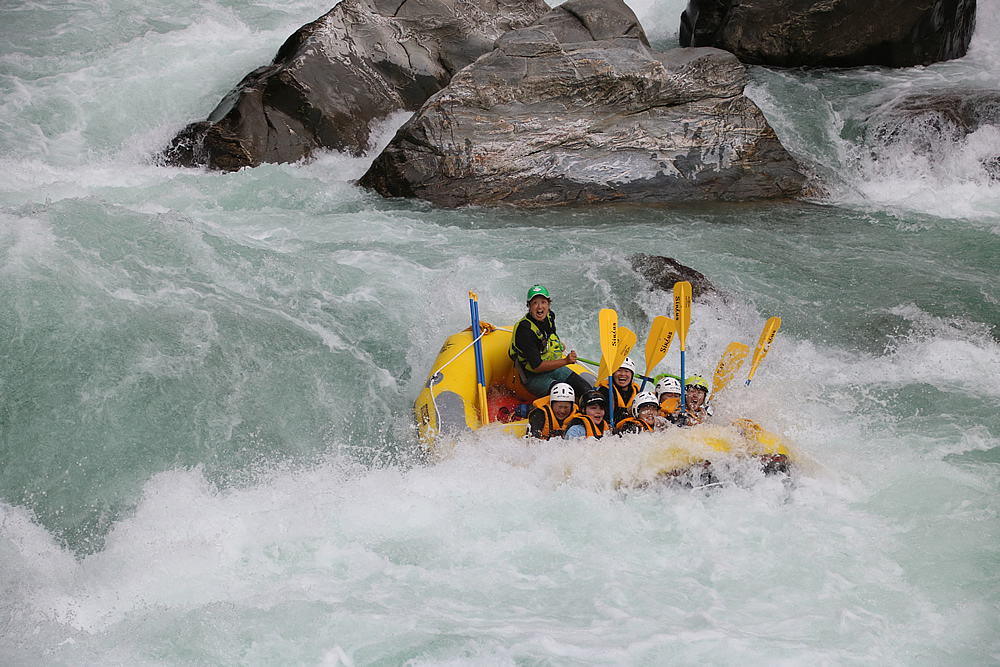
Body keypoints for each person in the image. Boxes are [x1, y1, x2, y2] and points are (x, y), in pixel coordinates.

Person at [509, 284, 592, 399]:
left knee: (584, 388)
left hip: (551, 368)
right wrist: (566, 361)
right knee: (563, 396)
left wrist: (558, 342)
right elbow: (537, 367)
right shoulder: (525, 331)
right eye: (535, 303)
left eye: (543, 302)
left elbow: (551, 334)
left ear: (548, 304)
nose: (539, 307)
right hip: (533, 377)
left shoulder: (550, 316)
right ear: (529, 306)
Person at [594, 356, 640, 424]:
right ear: (613, 374)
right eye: (619, 370)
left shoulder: (637, 390)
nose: (622, 374)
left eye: (626, 371)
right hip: (610, 430)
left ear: (632, 375)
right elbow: (604, 415)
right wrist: (627, 411)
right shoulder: (604, 391)